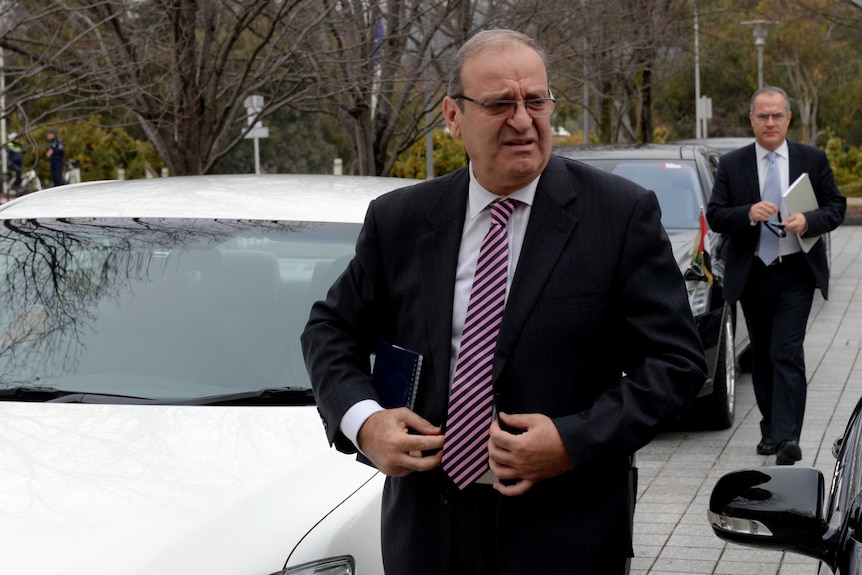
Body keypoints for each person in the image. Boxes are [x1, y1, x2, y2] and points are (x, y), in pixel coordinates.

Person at [301, 29, 707, 575]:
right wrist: (365, 422)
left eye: (535, 100)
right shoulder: (400, 220)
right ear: (453, 116)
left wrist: (571, 440)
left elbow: (677, 365)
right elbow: (330, 330)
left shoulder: (618, 215)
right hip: (427, 538)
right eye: (499, 104)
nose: (523, 120)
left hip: (567, 537)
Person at [707, 86, 846, 466]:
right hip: (753, 273)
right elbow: (716, 214)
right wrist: (748, 213)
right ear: (751, 119)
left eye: (777, 115)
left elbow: (836, 207)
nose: (770, 122)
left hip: (796, 274)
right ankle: (771, 430)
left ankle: (788, 437)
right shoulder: (733, 164)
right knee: (764, 356)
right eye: (763, 116)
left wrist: (809, 220)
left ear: (788, 119)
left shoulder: (811, 159)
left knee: (786, 352)